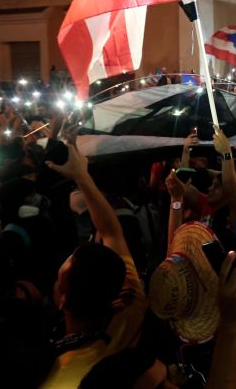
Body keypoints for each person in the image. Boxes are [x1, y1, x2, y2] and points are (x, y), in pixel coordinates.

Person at [41, 131, 148, 388]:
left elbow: (111, 234)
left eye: (59, 277)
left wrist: (82, 177)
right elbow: (111, 232)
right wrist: (82, 176)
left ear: (63, 298)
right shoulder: (132, 306)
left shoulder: (61, 376)